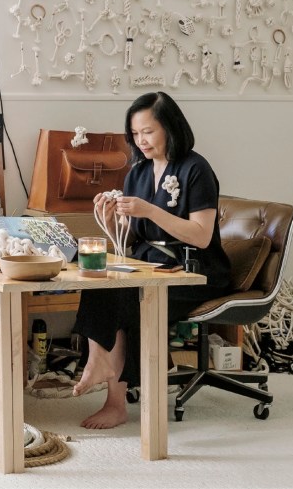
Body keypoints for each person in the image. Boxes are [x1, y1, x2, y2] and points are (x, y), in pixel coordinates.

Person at [71, 91, 231, 429]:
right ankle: (98, 358)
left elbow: (201, 236)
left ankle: (114, 401)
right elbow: (131, 238)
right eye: (135, 133)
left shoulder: (196, 169)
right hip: (151, 263)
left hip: (195, 269)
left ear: (170, 128)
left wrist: (150, 210)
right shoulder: (138, 172)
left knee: (132, 297)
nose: (140, 140)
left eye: (148, 131)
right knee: (97, 275)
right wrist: (111, 218)